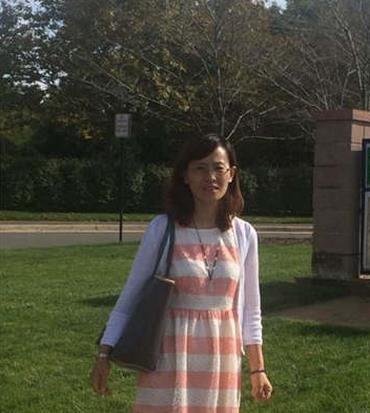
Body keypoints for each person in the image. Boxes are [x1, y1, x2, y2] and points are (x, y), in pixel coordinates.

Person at [90, 133, 272, 412]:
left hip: (222, 359)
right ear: (185, 176)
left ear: (231, 174)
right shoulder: (162, 228)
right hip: (168, 354)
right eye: (199, 168)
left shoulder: (244, 234)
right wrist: (104, 354)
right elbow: (130, 297)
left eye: (218, 168)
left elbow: (251, 311)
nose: (210, 176)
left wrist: (258, 369)